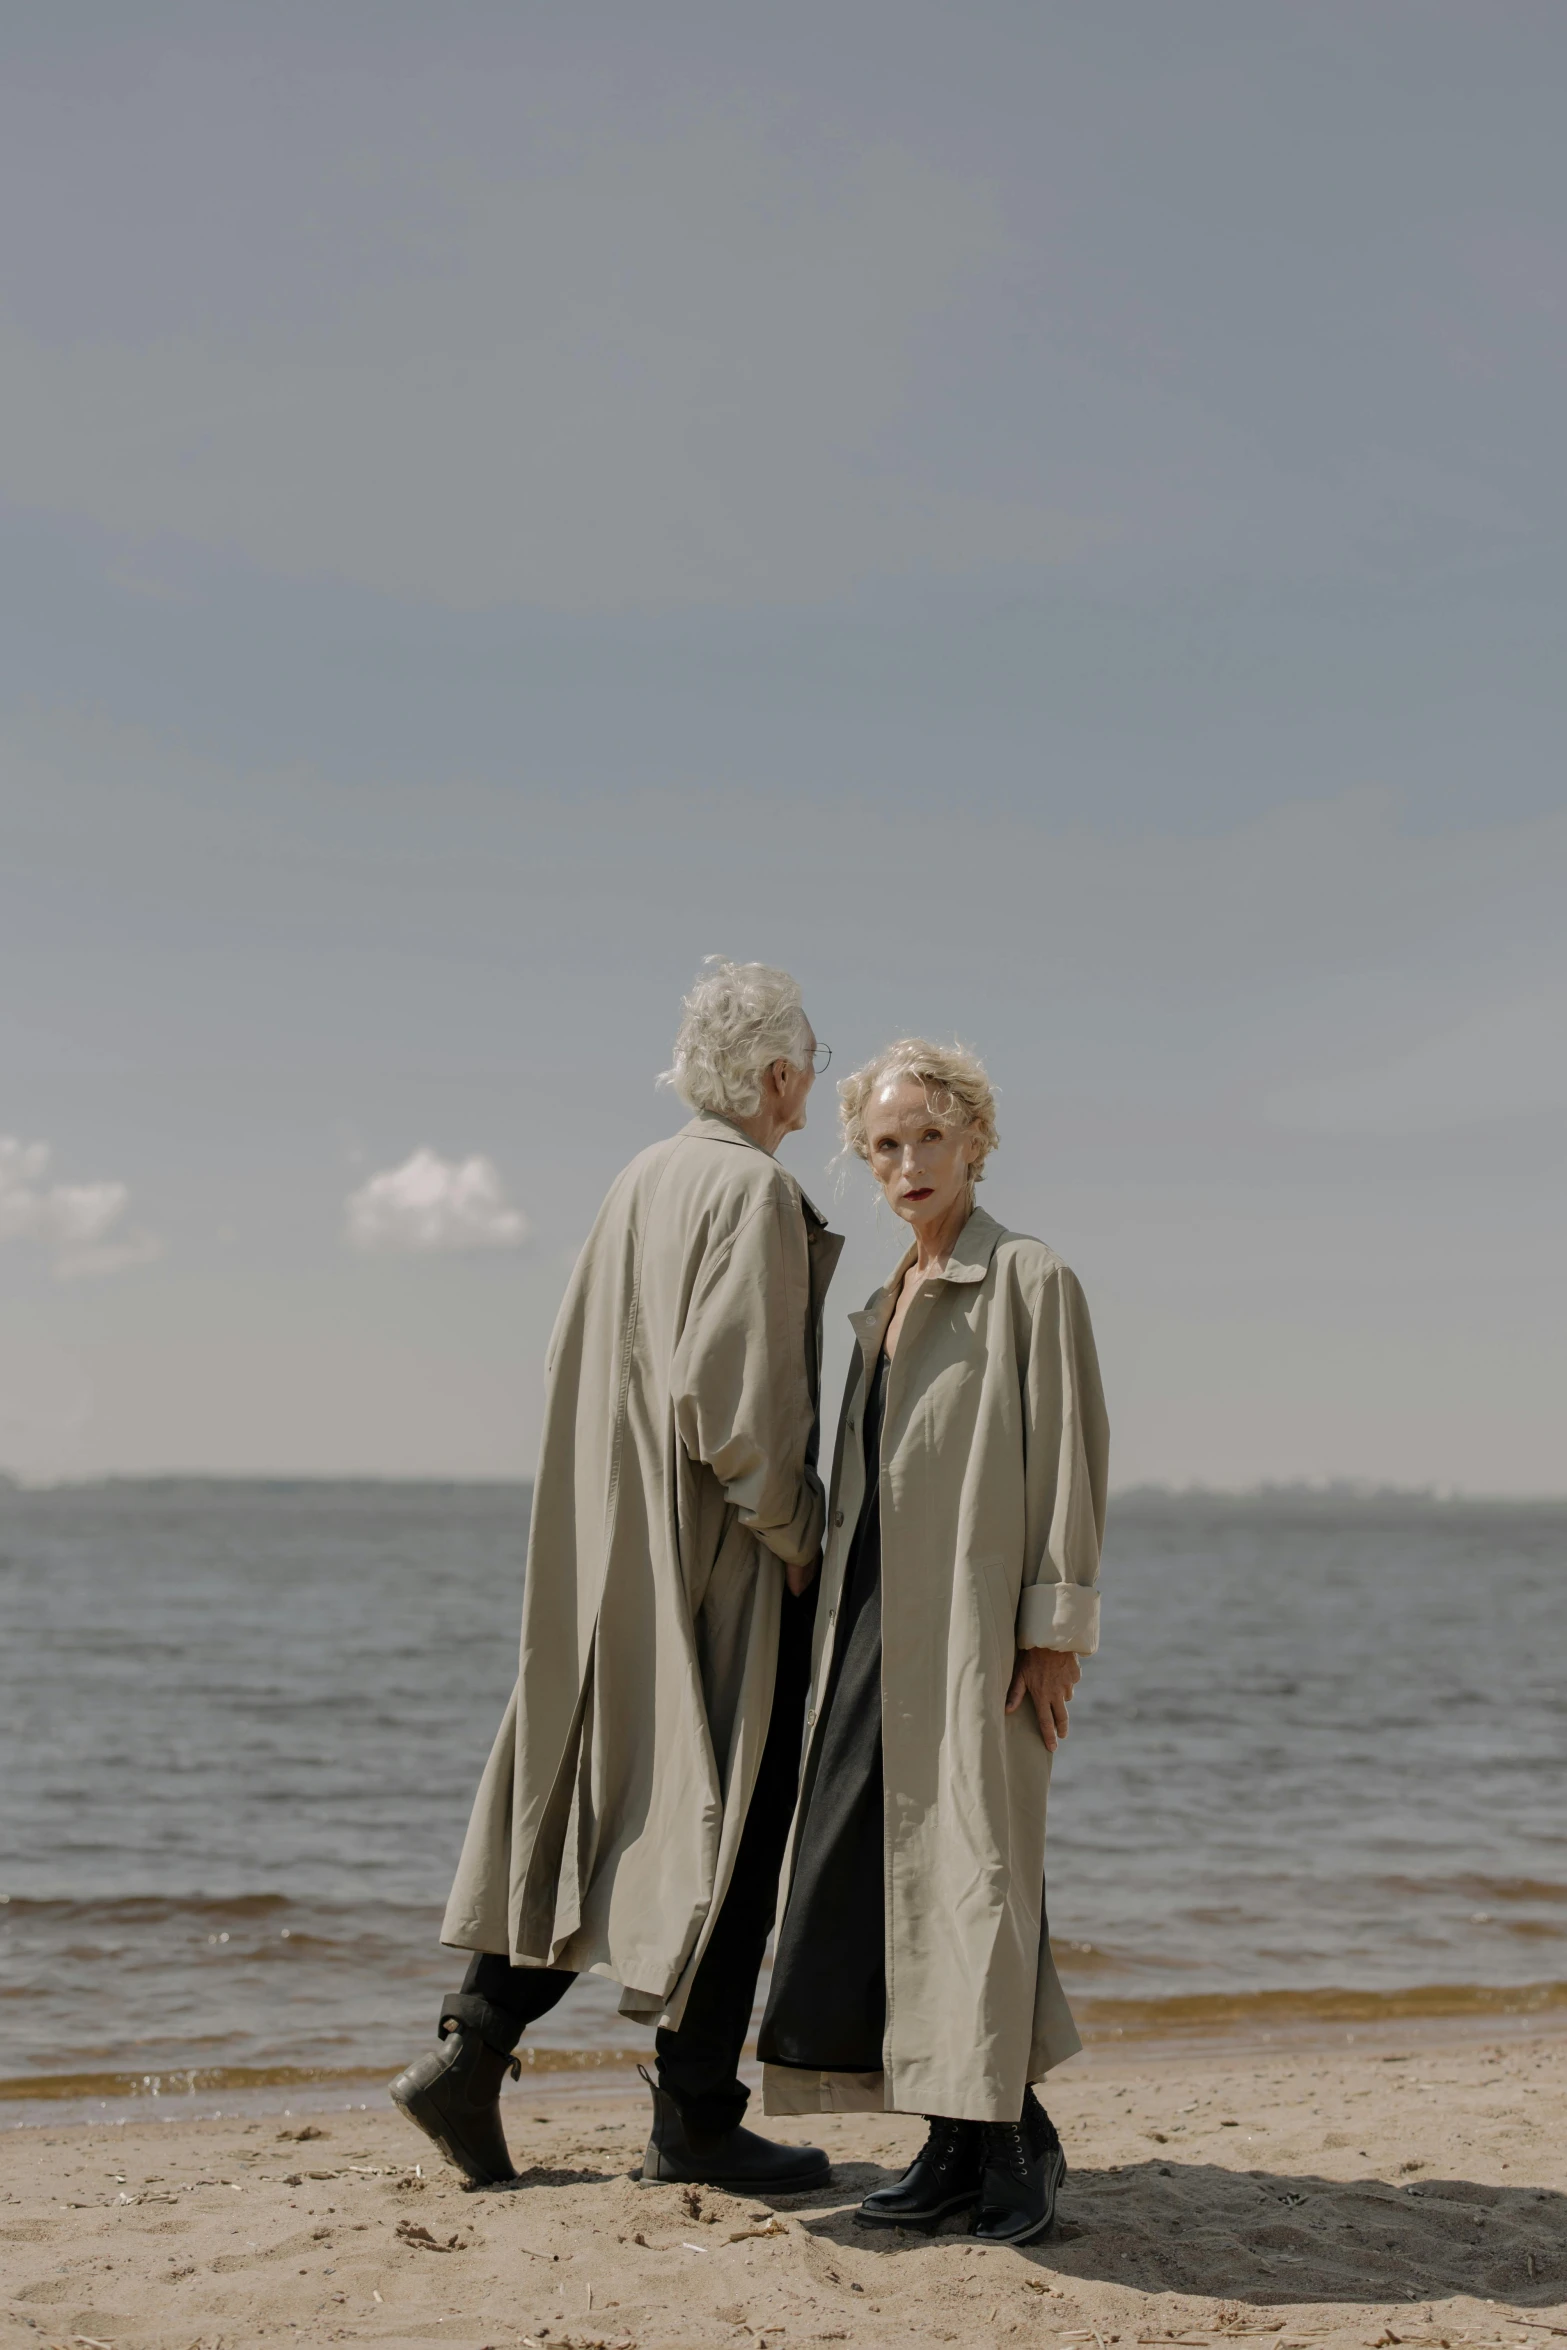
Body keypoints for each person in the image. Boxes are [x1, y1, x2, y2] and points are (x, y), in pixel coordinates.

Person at [391, 958, 843, 2193]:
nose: (811, 1084)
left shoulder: (637, 1178)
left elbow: (568, 1357)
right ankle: (694, 2117)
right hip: (717, 1564)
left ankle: (469, 2054)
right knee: (731, 1828)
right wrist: (802, 1537)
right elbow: (736, 1408)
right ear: (777, 1073)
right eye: (806, 1060)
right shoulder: (751, 1189)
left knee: (593, 1801)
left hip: (609, 1548)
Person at [757, 1038, 1109, 2247]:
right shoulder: (882, 1299)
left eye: (928, 1137)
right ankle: (951, 2139)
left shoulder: (1027, 1278)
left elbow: (1065, 1456)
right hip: (870, 1627)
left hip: (971, 1635)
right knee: (885, 1882)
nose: (908, 1163)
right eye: (883, 1145)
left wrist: (1053, 1629)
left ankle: (1014, 2137)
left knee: (980, 1879)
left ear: (975, 1139)